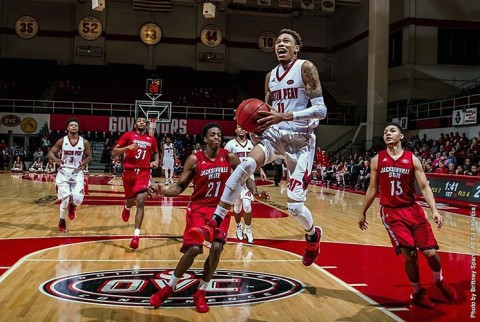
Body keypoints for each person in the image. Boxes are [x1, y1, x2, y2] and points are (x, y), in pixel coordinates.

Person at [188, 29, 326, 267]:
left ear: (296, 48)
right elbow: (265, 112)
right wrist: (252, 126)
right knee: (245, 166)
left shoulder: (306, 67)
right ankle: (215, 221)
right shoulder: (270, 76)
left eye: (286, 41)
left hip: (301, 141)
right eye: (278, 41)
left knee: (294, 205)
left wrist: (285, 116)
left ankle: (313, 236)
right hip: (274, 136)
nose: (280, 44)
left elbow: (321, 110)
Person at [148, 123, 268, 312]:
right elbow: (179, 187)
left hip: (220, 209)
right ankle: (169, 287)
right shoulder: (194, 160)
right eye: (212, 135)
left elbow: (247, 175)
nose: (216, 138)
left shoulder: (230, 158)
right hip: (198, 209)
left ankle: (201, 291)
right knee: (195, 248)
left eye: (219, 135)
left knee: (217, 247)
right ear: (205, 139)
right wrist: (163, 191)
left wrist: (255, 192)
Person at [358, 122, 457, 309]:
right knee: (410, 254)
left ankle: (439, 280)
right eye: (385, 131)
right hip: (392, 213)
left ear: (401, 136)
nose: (388, 133)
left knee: (431, 253)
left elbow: (424, 187)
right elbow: (372, 188)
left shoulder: (413, 159)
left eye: (392, 131)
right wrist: (362, 212)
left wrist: (434, 210)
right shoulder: (377, 160)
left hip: (413, 210)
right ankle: (418, 291)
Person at [112, 116, 159, 250]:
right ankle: (127, 207)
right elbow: (114, 152)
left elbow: (156, 153)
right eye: (139, 121)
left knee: (140, 201)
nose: (142, 123)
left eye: (144, 122)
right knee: (130, 200)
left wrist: (156, 161)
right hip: (129, 172)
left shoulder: (152, 139)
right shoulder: (128, 135)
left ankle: (136, 236)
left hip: (144, 173)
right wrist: (128, 147)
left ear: (146, 125)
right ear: (135, 124)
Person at [224, 124, 266, 243]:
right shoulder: (230, 144)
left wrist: (261, 169)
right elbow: (226, 160)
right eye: (239, 127)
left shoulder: (252, 144)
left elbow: (257, 159)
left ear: (247, 130)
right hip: (236, 178)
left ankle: (248, 229)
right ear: (235, 129)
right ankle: (238, 227)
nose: (241, 129)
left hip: (249, 178)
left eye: (243, 127)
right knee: (237, 207)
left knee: (247, 206)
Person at [48, 118, 92, 232]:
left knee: (78, 200)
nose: (73, 127)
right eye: (71, 125)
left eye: (75, 125)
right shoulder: (62, 141)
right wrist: (57, 160)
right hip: (64, 172)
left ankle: (73, 205)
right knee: (65, 199)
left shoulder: (84, 142)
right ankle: (62, 221)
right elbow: (50, 153)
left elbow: (89, 156)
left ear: (78, 128)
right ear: (67, 128)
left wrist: (84, 164)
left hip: (77, 172)